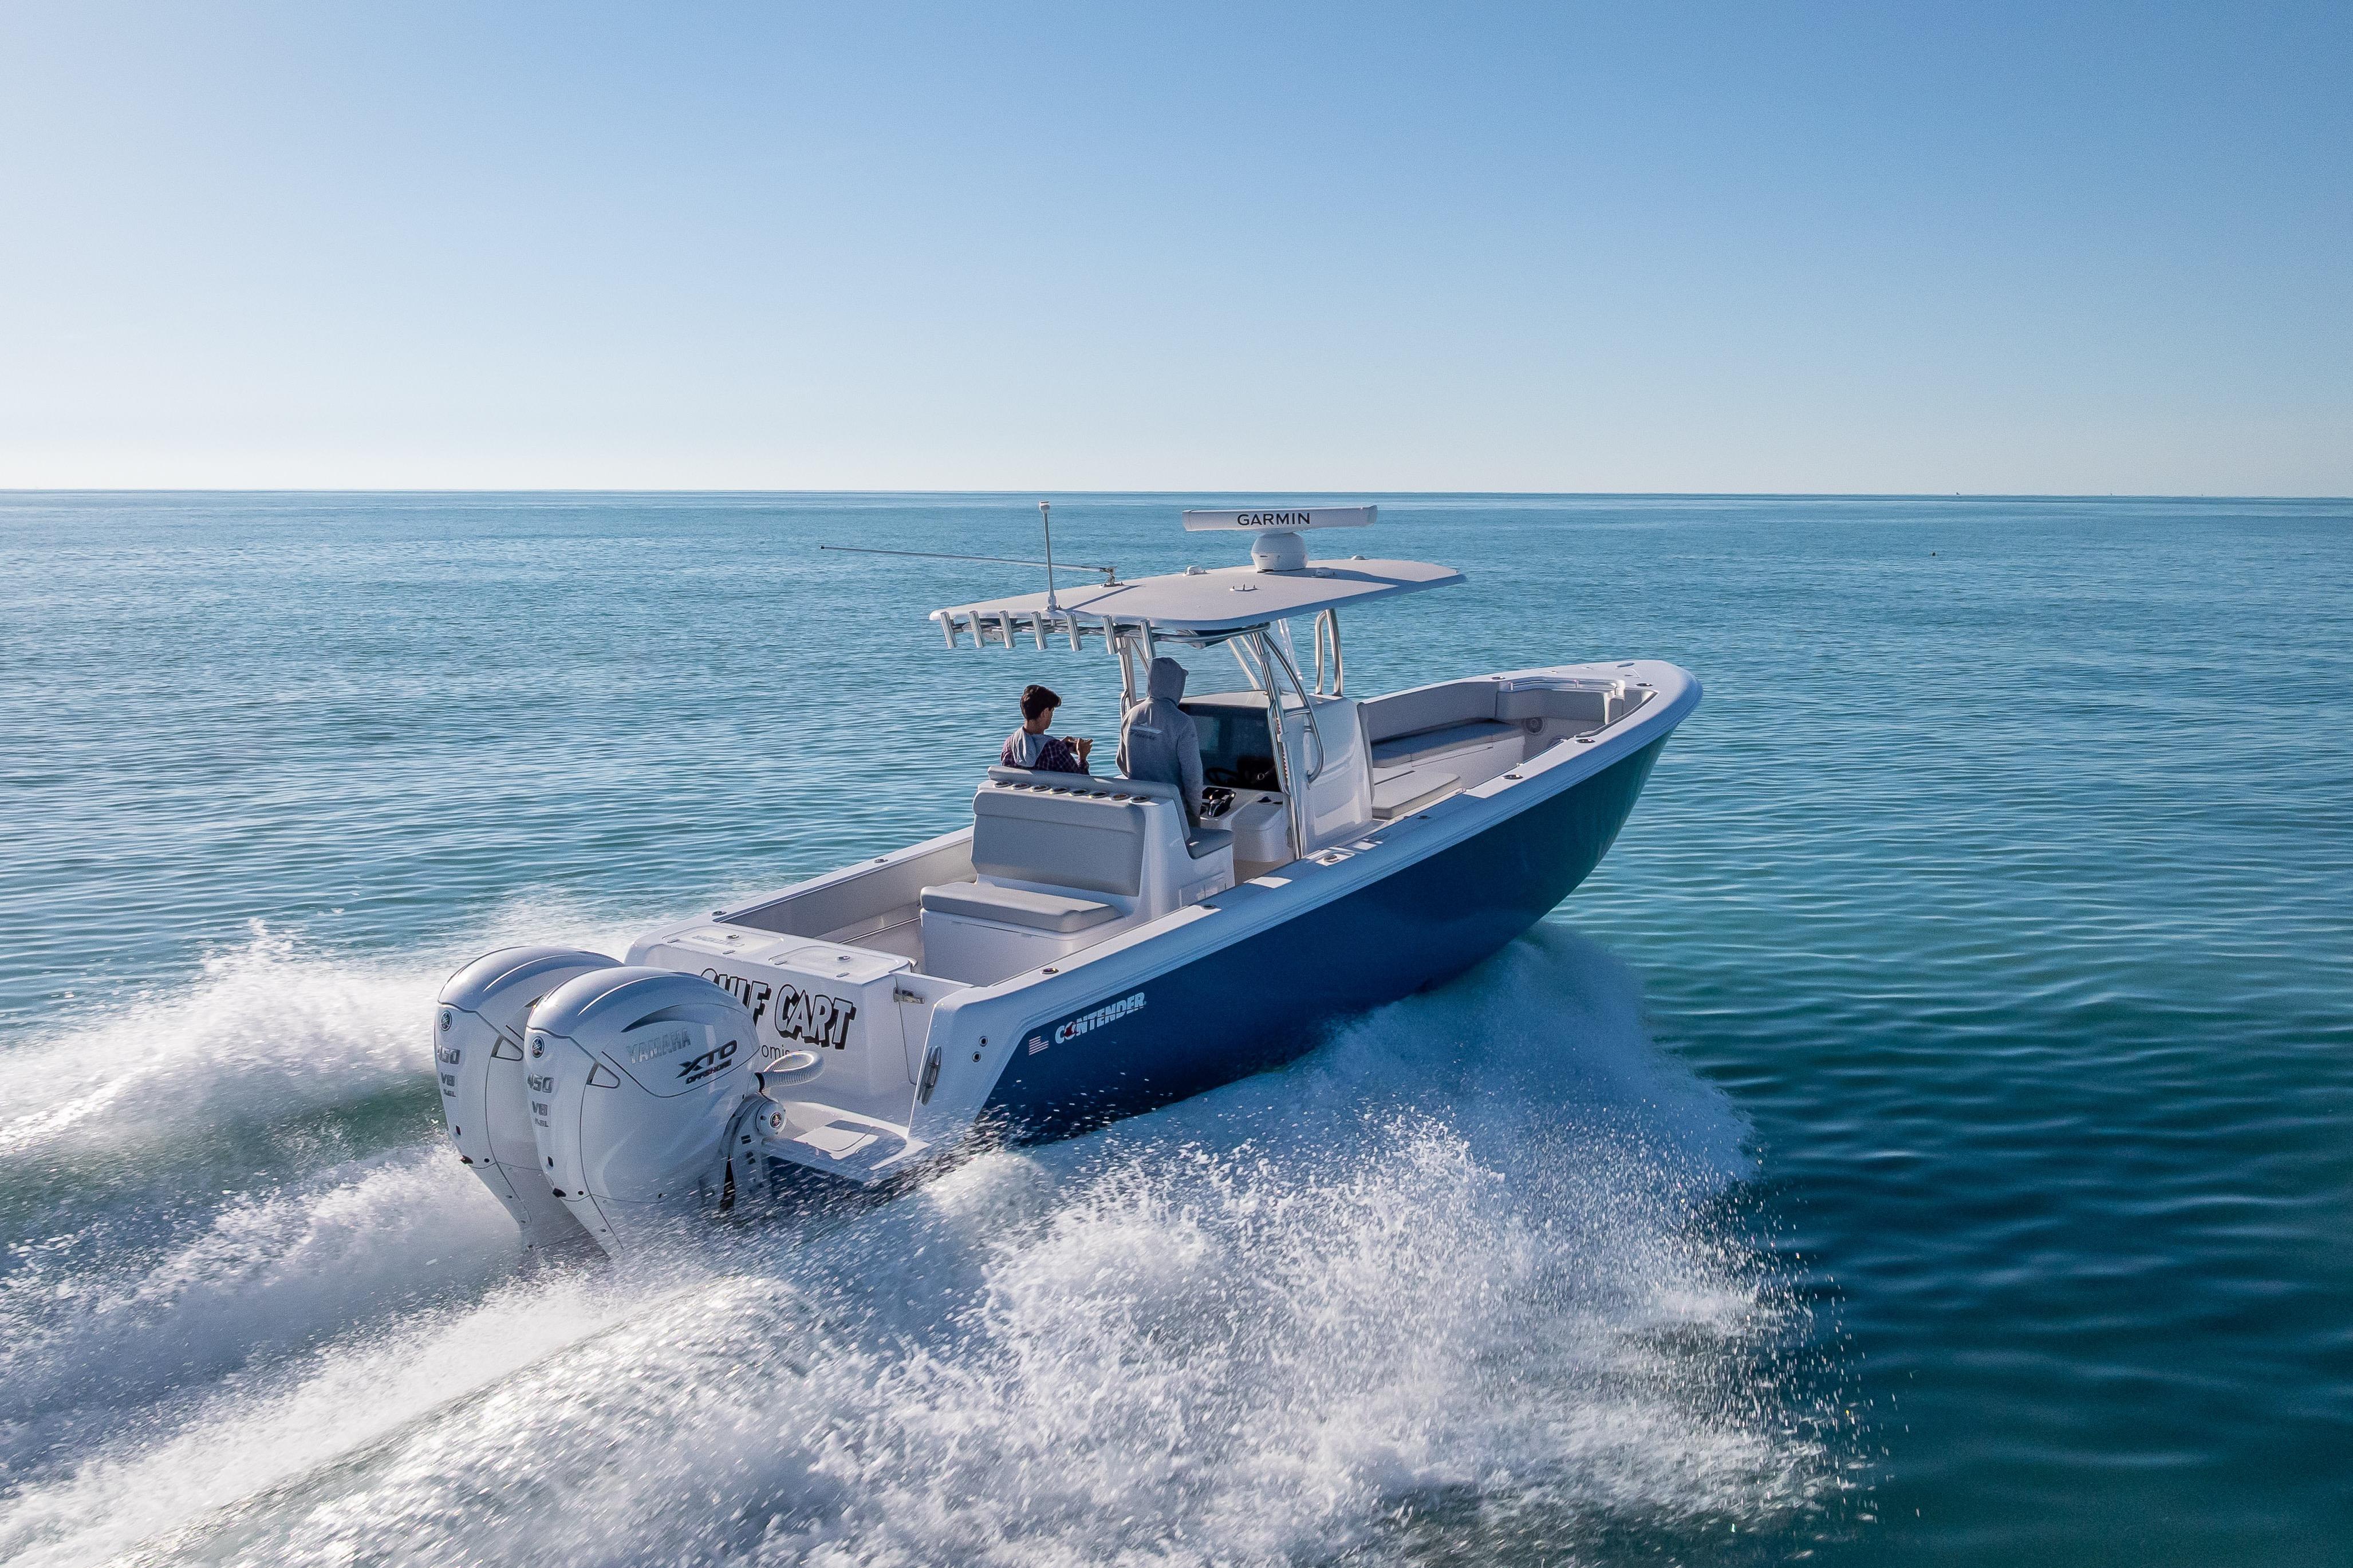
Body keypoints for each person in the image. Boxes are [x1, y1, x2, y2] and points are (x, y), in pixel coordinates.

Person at [1117, 657, 1205, 823]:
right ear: (1177, 684)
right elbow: (1192, 776)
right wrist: (1195, 812)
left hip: (1138, 809)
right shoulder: (1183, 722)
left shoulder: (1131, 715)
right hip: (1173, 810)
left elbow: (1121, 762)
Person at [1002, 684, 1093, 773]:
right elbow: (1082, 779)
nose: (1052, 716)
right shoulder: (1056, 749)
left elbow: (1032, 748)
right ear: (1045, 712)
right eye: (1052, 711)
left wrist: (1061, 745)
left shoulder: (1009, 744)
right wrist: (1082, 757)